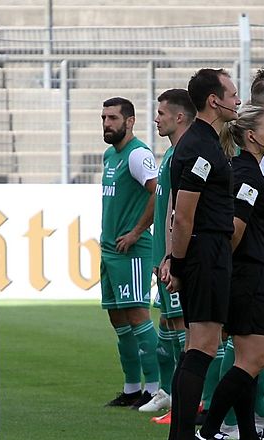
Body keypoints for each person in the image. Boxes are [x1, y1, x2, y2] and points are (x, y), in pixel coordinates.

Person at [196, 105, 264, 440]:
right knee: (252, 360)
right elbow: (237, 227)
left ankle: (249, 436)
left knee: (246, 360)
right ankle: (209, 432)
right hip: (248, 274)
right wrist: (234, 266)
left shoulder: (245, 170)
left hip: (245, 272)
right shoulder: (248, 173)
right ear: (251, 136)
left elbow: (256, 212)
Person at [163, 69, 241, 440]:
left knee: (197, 346)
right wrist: (178, 264)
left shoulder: (204, 142)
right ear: (214, 100)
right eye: (232, 93)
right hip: (205, 253)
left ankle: (181, 439)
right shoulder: (200, 146)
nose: (237, 100)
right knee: (203, 346)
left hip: (205, 252)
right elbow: (184, 213)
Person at [99, 97, 161, 409]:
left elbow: (158, 192)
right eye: (104, 118)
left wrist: (136, 232)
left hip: (132, 250)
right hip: (110, 250)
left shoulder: (138, 155)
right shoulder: (110, 155)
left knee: (138, 317)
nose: (107, 124)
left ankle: (153, 389)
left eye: (113, 118)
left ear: (130, 121)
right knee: (118, 320)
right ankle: (132, 387)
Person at [137, 89, 195, 416]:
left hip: (175, 258)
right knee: (171, 327)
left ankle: (188, 402)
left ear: (179, 116)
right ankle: (173, 395)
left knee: (184, 330)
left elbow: (182, 214)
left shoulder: (183, 155)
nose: (156, 118)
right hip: (164, 256)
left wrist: (174, 255)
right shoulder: (171, 155)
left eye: (161, 113)